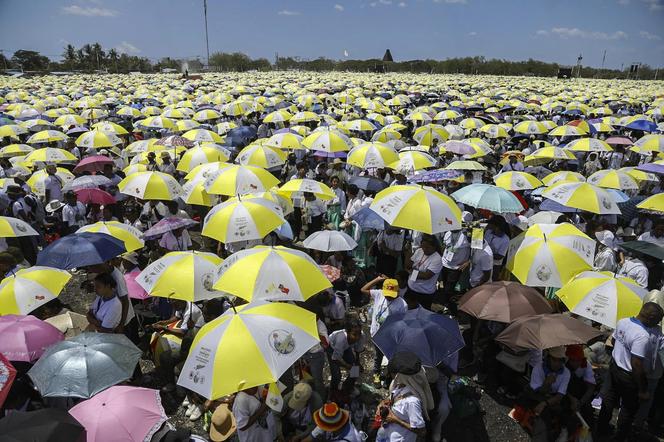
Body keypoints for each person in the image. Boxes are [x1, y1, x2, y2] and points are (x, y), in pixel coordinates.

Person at [596, 302, 664, 440]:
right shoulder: (642, 336)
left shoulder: (623, 321)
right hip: (629, 376)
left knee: (609, 400)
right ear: (651, 317)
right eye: (658, 320)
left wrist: (621, 356)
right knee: (628, 409)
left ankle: (600, 430)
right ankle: (620, 437)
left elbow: (614, 341)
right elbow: (637, 364)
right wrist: (643, 390)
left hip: (614, 368)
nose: (658, 324)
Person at [360, 276, 407, 381]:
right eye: (387, 295)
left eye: (392, 296)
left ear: (398, 292)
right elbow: (363, 289)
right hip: (376, 334)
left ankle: (389, 376)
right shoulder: (379, 293)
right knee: (378, 356)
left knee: (391, 357)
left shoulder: (402, 304)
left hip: (390, 337)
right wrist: (377, 279)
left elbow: (402, 323)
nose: (389, 297)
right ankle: (376, 373)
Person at [379, 352, 432, 442]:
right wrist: (384, 403)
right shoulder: (399, 384)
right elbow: (394, 397)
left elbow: (422, 431)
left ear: (400, 376)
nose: (391, 376)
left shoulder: (412, 401)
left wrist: (396, 420)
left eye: (393, 373)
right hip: (388, 433)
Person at [405, 234, 443, 310]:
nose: (424, 249)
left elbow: (426, 276)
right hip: (411, 288)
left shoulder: (437, 259)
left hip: (424, 293)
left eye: (427, 247)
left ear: (434, 247)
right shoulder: (419, 251)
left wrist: (412, 272)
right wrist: (408, 251)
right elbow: (408, 265)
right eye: (423, 246)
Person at [328, 318, 366, 392]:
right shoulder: (341, 340)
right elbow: (335, 359)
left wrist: (357, 362)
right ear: (347, 332)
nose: (357, 337)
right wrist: (348, 366)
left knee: (355, 369)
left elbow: (357, 350)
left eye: (359, 334)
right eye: (354, 334)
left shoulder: (361, 336)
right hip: (332, 347)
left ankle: (347, 387)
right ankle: (333, 390)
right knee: (337, 376)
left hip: (346, 347)